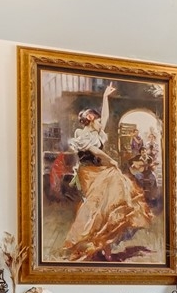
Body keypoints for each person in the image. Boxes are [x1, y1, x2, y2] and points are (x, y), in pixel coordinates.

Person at [62, 83, 151, 261]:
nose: (101, 123)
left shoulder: (97, 133)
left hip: (100, 171)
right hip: (89, 173)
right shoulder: (82, 134)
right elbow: (96, 152)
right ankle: (87, 245)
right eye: (98, 121)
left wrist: (105, 97)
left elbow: (106, 116)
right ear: (90, 119)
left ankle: (107, 248)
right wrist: (110, 160)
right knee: (95, 209)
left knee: (109, 206)